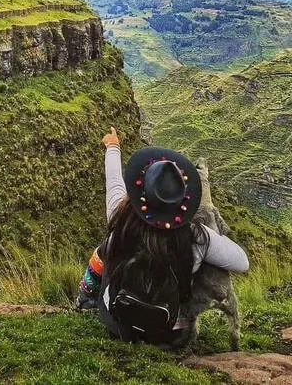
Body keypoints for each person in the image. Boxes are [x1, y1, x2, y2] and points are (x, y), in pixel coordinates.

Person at [76, 127, 248, 346]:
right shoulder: (196, 236)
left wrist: (113, 146)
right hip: (170, 335)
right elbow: (241, 262)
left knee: (106, 247)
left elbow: (114, 183)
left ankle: (86, 298)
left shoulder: (121, 218)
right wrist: (210, 235)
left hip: (119, 323)